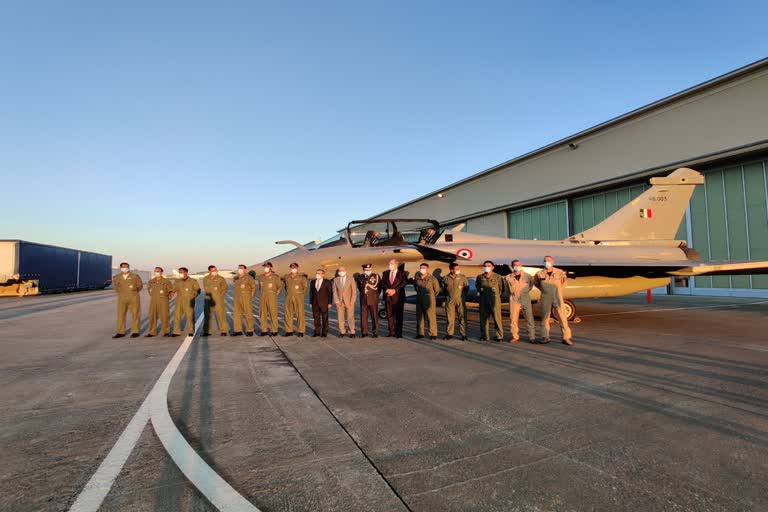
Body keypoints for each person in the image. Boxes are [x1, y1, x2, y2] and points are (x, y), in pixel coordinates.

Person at [533, 255, 573, 346]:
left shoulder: (559, 272)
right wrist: (544, 290)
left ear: (552, 262)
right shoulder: (539, 273)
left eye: (549, 260)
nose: (547, 262)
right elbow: (536, 283)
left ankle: (566, 338)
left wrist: (558, 291)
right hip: (545, 296)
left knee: (562, 317)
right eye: (545, 260)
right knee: (545, 317)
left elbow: (564, 282)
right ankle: (545, 337)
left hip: (557, 296)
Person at [504, 259, 536, 343]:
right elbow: (506, 289)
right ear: (512, 266)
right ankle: (515, 336)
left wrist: (524, 292)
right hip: (514, 298)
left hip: (525, 297)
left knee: (529, 317)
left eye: (518, 265)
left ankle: (532, 337)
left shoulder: (528, 276)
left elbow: (530, 286)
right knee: (513, 318)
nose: (517, 266)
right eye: (515, 265)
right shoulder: (508, 277)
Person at [112, 262, 143, 339]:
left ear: (129, 268)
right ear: (120, 268)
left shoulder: (135, 276)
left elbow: (140, 286)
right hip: (122, 298)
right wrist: (122, 293)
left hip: (133, 297)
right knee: (120, 315)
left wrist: (133, 292)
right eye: (123, 267)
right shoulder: (116, 277)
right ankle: (120, 332)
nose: (125, 268)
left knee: (135, 314)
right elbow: (115, 287)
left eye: (126, 267)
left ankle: (135, 331)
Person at [476, 260, 504, 342]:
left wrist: (497, 296)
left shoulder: (498, 277)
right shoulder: (480, 277)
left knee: (497, 318)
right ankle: (485, 336)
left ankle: (499, 336)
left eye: (488, 266)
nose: (486, 267)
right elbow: (478, 286)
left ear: (493, 267)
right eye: (485, 266)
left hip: (494, 300)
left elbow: (501, 288)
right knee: (483, 318)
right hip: (483, 300)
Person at [381, 258, 407, 338]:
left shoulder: (402, 273)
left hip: (398, 297)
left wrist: (395, 290)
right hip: (388, 297)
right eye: (389, 264)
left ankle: (399, 333)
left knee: (399, 316)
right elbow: (383, 282)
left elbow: (404, 283)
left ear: (396, 265)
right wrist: (387, 289)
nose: (389, 265)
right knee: (389, 315)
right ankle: (391, 332)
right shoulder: (385, 273)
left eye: (391, 264)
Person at [442, 262, 468, 341]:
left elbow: (466, 288)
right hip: (450, 300)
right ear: (451, 270)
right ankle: (449, 334)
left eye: (458, 269)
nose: (458, 270)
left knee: (462, 317)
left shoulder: (463, 277)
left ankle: (464, 334)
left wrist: (462, 297)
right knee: (450, 318)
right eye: (456, 269)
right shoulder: (445, 278)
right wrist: (448, 297)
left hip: (460, 300)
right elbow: (444, 289)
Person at [414, 262, 440, 340]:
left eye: (423, 268)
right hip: (419, 299)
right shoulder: (417, 277)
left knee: (431, 317)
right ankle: (420, 333)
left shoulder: (432, 278)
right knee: (419, 317)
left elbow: (437, 290)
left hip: (429, 300)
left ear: (427, 269)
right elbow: (416, 287)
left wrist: (430, 296)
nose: (422, 269)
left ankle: (433, 334)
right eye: (421, 268)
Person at [172, 267, 200, 336]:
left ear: (186, 272)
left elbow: (198, 289)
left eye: (181, 272)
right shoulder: (177, 281)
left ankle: (190, 331)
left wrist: (194, 295)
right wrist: (171, 293)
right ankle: (176, 331)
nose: (180, 274)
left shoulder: (192, 281)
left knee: (190, 316)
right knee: (177, 316)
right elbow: (173, 289)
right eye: (180, 272)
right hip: (179, 301)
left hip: (189, 300)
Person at [146, 266, 173, 337]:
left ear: (161, 272)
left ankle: (165, 332)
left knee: (164, 316)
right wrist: (152, 295)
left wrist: (169, 297)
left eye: (158, 271)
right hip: (153, 301)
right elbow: (149, 289)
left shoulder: (166, 281)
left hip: (163, 301)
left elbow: (171, 290)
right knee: (152, 316)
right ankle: (152, 332)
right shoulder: (151, 281)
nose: (156, 272)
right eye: (155, 271)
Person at [202, 265, 229, 336]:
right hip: (208, 299)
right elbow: (205, 288)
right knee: (207, 315)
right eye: (213, 270)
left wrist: (220, 295)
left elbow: (225, 288)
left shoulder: (221, 278)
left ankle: (224, 330)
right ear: (209, 271)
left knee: (221, 315)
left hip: (218, 299)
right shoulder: (205, 279)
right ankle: (207, 331)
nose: (214, 272)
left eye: (215, 270)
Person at [257, 262, 282, 336]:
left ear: (271, 267)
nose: (265, 268)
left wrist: (275, 295)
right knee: (262, 314)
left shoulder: (275, 277)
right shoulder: (261, 277)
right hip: (263, 297)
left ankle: (274, 330)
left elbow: (280, 287)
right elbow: (260, 287)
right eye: (264, 266)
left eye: (267, 266)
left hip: (272, 297)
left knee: (273, 313)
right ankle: (263, 330)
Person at [282, 262, 308, 337]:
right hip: (289, 297)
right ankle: (288, 330)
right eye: (292, 267)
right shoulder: (286, 277)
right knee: (288, 314)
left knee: (300, 314)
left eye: (294, 267)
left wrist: (300, 295)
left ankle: (301, 331)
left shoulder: (302, 277)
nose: (293, 268)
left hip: (298, 297)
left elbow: (305, 288)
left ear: (297, 268)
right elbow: (286, 287)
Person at [356, 263, 380, 337]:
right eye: (366, 270)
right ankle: (364, 332)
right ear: (363, 270)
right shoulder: (360, 277)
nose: (368, 271)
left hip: (373, 299)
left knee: (374, 317)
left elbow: (379, 287)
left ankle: (375, 332)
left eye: (369, 269)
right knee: (363, 317)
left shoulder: (376, 276)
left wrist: (376, 296)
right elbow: (360, 288)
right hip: (364, 299)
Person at [232, 264, 256, 336]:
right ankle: (237, 330)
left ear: (245, 270)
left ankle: (250, 330)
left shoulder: (249, 278)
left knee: (248, 314)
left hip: (246, 297)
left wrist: (250, 297)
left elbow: (253, 288)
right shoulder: (236, 278)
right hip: (237, 298)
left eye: (241, 268)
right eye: (239, 268)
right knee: (237, 314)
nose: (240, 270)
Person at [333, 266, 357, 338]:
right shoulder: (336, 279)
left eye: (342, 270)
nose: (341, 272)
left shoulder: (351, 279)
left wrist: (352, 301)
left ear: (345, 271)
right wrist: (336, 301)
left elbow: (354, 291)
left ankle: (352, 332)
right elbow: (334, 291)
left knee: (350, 317)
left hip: (349, 301)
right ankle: (342, 331)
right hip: (340, 302)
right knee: (340, 318)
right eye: (340, 271)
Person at [309, 269, 333, 337]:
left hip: (324, 303)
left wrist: (330, 303)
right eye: (317, 273)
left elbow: (330, 293)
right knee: (316, 318)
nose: (317, 274)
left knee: (325, 318)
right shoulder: (313, 282)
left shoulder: (327, 282)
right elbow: (311, 293)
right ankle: (317, 331)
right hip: (315, 303)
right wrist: (311, 302)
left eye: (319, 273)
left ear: (323, 274)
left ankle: (324, 332)